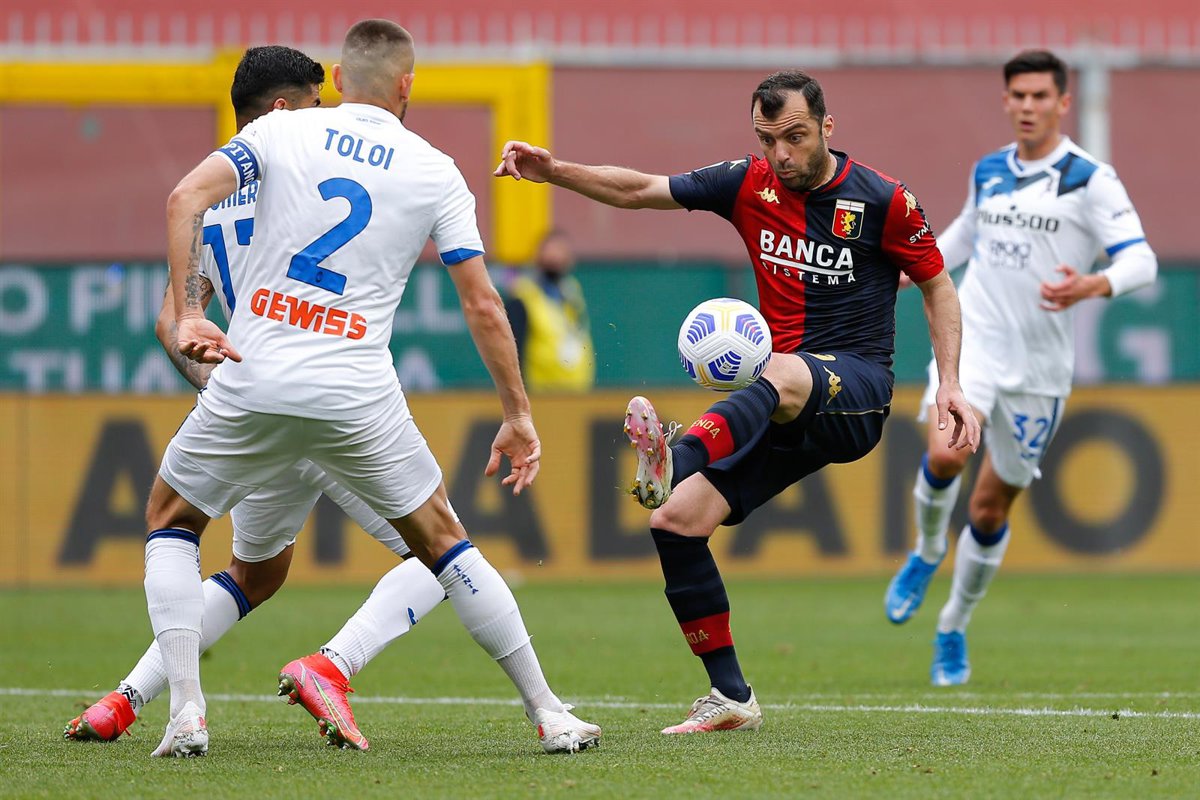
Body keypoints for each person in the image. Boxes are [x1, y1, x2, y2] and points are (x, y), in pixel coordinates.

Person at [145, 19, 599, 757]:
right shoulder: (436, 169)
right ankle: (549, 713)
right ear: (408, 84)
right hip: (357, 392)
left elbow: (183, 198)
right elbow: (484, 305)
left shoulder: (279, 131)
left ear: (337, 78)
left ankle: (186, 712)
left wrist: (193, 314)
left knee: (172, 521)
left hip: (253, 376)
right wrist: (518, 414)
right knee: (445, 545)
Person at [495, 70, 981, 733]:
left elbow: (938, 286)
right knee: (675, 524)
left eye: (796, 137)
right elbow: (640, 190)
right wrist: (555, 172)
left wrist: (949, 381)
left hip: (857, 394)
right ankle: (731, 696)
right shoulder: (746, 184)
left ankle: (678, 456)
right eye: (767, 139)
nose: (781, 154)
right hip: (782, 402)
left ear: (827, 127)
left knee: (772, 369)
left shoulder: (884, 200)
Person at [63, 45, 448, 753]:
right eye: (316, 104)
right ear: (282, 108)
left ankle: (127, 699)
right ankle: (333, 664)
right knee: (444, 556)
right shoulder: (305, 179)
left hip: (252, 405)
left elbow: (171, 319)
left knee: (255, 573)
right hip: (335, 398)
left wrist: (221, 389)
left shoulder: (213, 194)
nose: (328, 117)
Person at [882, 50, 1157, 685]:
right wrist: (913, 270)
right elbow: (964, 235)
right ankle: (927, 549)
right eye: (1019, 95)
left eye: (1040, 96)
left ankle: (953, 625)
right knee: (946, 454)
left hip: (1039, 368)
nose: (1029, 106)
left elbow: (1140, 260)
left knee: (988, 511)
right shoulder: (989, 170)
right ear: (1006, 100)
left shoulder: (1091, 179)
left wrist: (1092, 284)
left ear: (1063, 102)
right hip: (974, 341)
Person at [503, 229, 595, 392]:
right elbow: (514, 351)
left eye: (562, 253)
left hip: (577, 392)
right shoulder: (523, 295)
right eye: (551, 253)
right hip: (541, 393)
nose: (556, 258)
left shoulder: (571, 292)